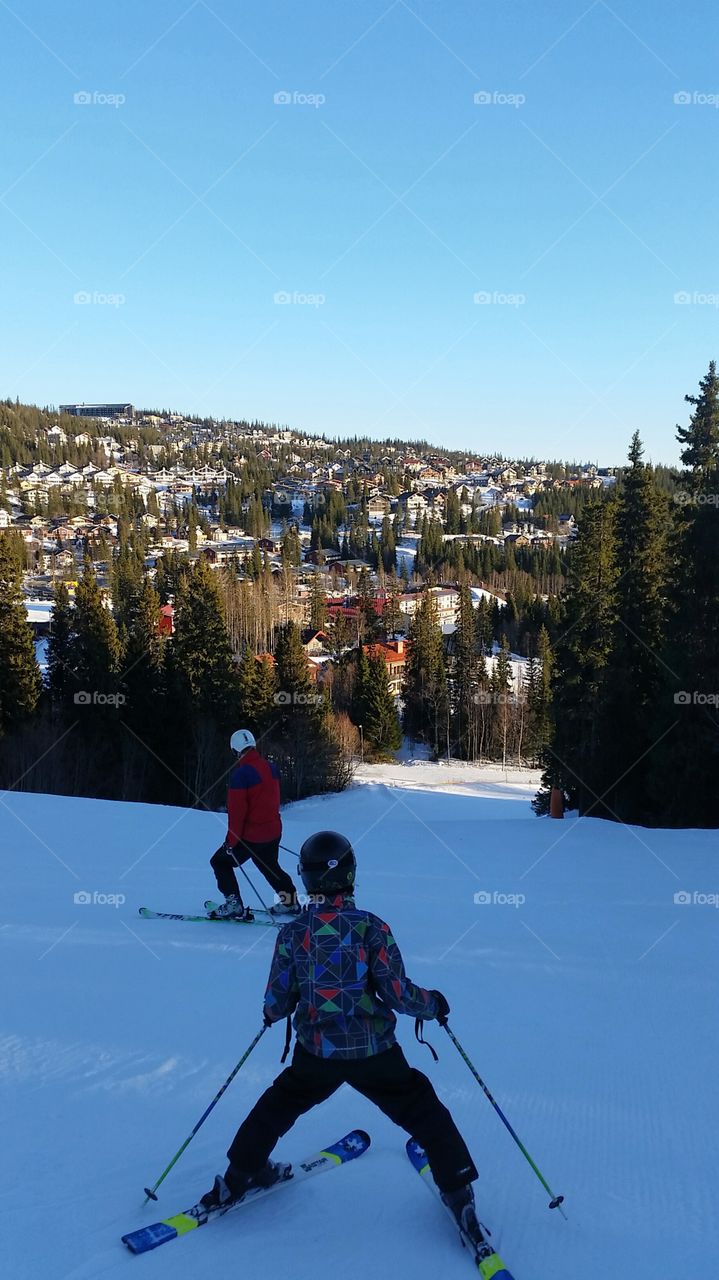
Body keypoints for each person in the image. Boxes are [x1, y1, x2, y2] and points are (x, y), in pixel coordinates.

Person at [201, 829, 480, 1240]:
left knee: (279, 1104)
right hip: (375, 1054)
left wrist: (271, 1013)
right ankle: (458, 1189)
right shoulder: (371, 927)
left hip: (317, 1054)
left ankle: (241, 1173)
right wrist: (434, 1004)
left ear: (307, 880)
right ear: (350, 875)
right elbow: (397, 992)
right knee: (422, 1109)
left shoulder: (294, 933)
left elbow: (278, 1001)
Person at [209, 729, 299, 920]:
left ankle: (234, 904)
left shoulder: (241, 776)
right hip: (273, 831)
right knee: (270, 866)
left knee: (219, 862)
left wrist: (230, 843)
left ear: (235, 750)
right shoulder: (271, 767)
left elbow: (237, 814)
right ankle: (290, 901)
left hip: (252, 836)